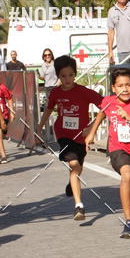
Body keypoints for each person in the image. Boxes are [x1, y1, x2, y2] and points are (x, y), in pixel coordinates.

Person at [85, 69, 130, 239]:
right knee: (126, 176)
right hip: (119, 149)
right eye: (120, 86)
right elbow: (101, 114)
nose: (125, 89)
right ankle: (128, 223)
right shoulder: (108, 101)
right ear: (113, 88)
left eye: (128, 85)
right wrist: (91, 133)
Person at [37, 55, 103, 222]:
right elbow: (48, 109)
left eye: (71, 75)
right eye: (63, 76)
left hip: (81, 137)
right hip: (63, 135)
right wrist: (39, 127)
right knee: (74, 165)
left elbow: (106, 106)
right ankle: (79, 206)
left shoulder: (84, 92)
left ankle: (71, 182)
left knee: (77, 168)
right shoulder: (56, 92)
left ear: (75, 74)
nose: (67, 79)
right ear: (58, 76)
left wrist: (91, 127)